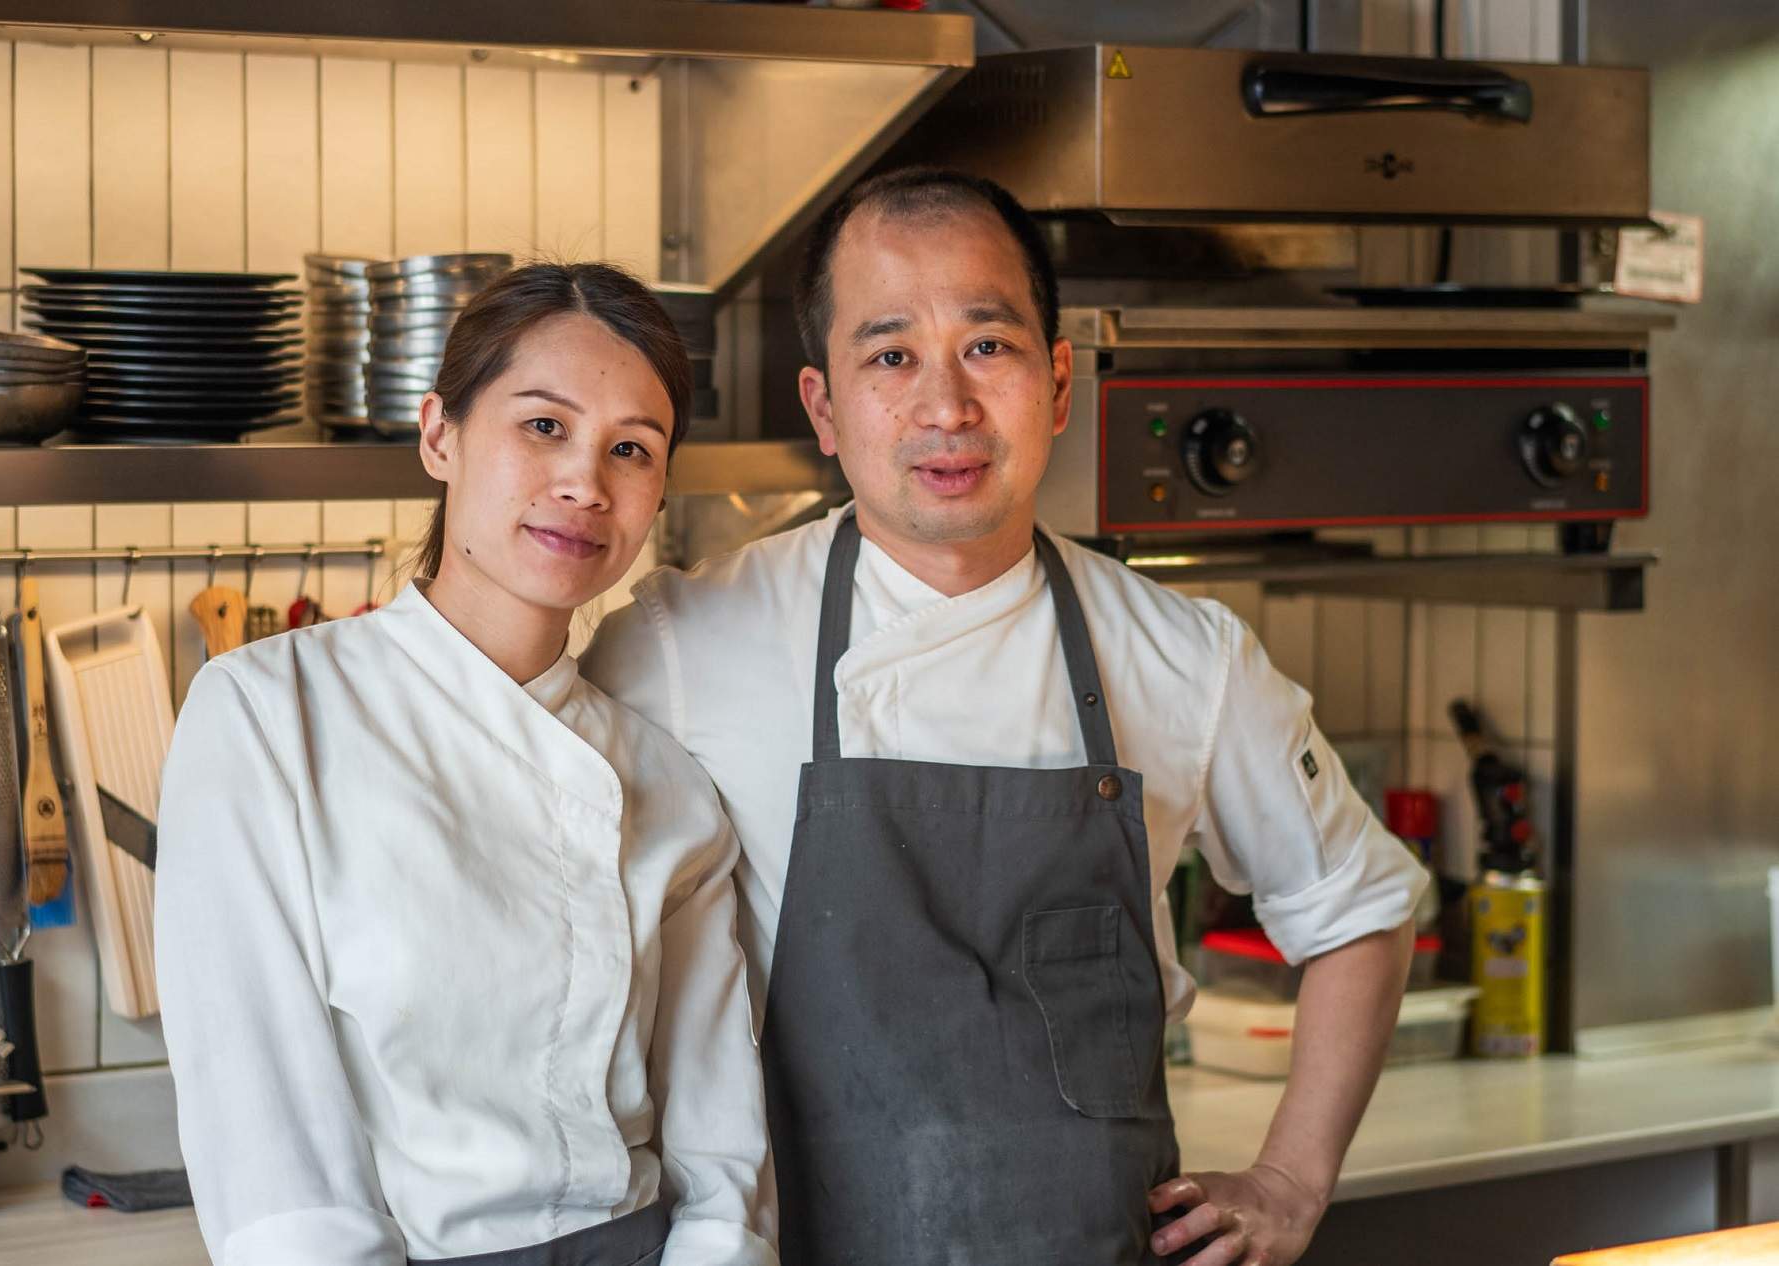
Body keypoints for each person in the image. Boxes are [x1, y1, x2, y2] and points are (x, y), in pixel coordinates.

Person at [581, 170, 1429, 1266]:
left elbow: (1359, 909)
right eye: (890, 355)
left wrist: (1288, 1181)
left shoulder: (1184, 655)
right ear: (824, 409)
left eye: (988, 346)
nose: (946, 407)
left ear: (1061, 382)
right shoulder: (682, 642)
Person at [156, 263, 778, 1266]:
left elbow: (716, 1137)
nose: (584, 482)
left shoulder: (665, 780)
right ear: (440, 435)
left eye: (632, 448)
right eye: (543, 427)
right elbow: (260, 1117)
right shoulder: (272, 716)